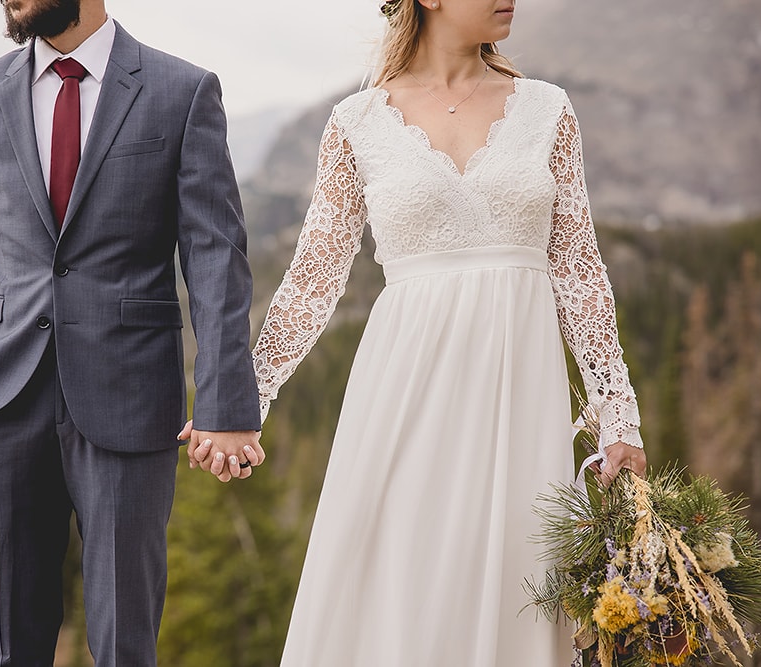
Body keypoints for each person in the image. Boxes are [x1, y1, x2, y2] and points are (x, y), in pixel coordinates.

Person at [224, 0, 648, 663]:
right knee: (399, 585)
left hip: (519, 403)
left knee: (515, 579)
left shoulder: (548, 111)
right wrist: (243, 399)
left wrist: (619, 415)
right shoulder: (355, 122)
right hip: (402, 395)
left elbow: (579, 272)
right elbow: (313, 279)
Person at [0, 0, 265, 664]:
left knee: (122, 642)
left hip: (130, 403)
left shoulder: (183, 92)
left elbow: (216, 258)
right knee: (7, 644)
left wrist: (225, 406)